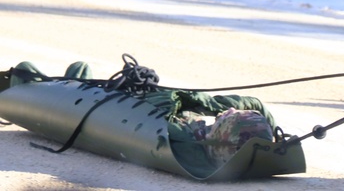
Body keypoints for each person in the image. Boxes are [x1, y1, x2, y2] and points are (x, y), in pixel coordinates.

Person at [5, 60, 276, 177]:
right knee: (78, 71)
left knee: (34, 71)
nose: (227, 112)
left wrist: (197, 100)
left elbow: (171, 99)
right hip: (124, 106)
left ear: (222, 134)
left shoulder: (181, 140)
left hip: (117, 108)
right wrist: (268, 133)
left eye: (228, 118)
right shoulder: (212, 145)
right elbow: (255, 105)